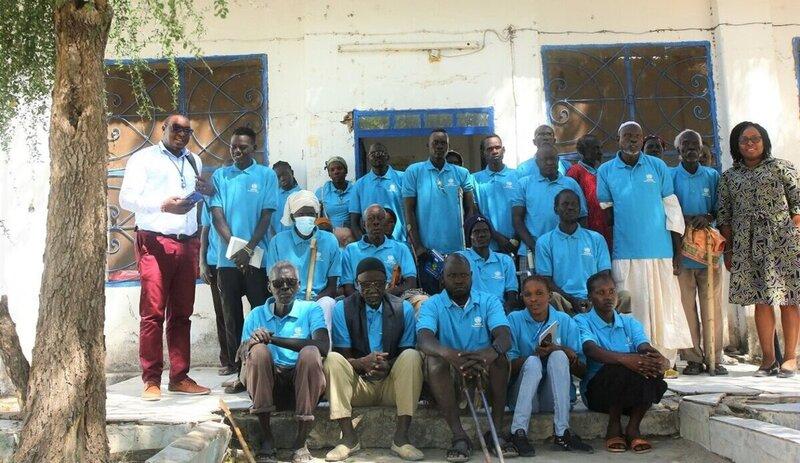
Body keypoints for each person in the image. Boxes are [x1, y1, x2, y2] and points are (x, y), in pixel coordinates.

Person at [119, 114, 213, 400]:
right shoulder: (143, 159)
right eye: (176, 129)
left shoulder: (193, 160)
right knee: (153, 313)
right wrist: (161, 205)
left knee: (182, 313)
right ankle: (151, 380)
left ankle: (180, 376)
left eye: (187, 130)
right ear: (164, 129)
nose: (182, 135)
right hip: (154, 241)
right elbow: (126, 198)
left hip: (187, 243)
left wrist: (205, 192)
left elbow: (195, 196)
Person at [596, 121, 691, 371]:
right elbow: (608, 216)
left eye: (636, 136)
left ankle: (665, 361)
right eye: (627, 136)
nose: (633, 140)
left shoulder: (658, 166)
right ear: (618, 139)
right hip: (626, 255)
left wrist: (677, 253)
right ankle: (634, 361)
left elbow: (672, 212)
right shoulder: (606, 171)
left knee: (664, 309)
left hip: (660, 253)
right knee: (631, 310)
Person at [718, 121, 800, 378]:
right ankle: (768, 359)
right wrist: (728, 251)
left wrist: (791, 236)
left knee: (788, 299)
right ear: (736, 145)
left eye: (755, 138)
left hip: (782, 243)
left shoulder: (781, 168)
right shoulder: (729, 177)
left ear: (764, 141)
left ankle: (789, 358)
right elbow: (725, 217)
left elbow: (797, 206)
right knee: (760, 301)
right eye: (744, 140)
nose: (750, 143)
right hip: (746, 245)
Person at [324, 257, 424, 462]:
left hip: (391, 387)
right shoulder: (342, 308)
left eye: (378, 284)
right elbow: (343, 355)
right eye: (365, 285)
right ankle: (349, 439)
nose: (372, 289)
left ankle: (401, 438)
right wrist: (361, 363)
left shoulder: (402, 308)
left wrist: (388, 365)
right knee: (332, 359)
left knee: (412, 356)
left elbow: (406, 350)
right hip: (359, 387)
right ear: (357, 284)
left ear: (387, 283)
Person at [416, 254, 514, 462]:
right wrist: (449, 354)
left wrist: (489, 354)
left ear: (471, 276)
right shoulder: (432, 304)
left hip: (482, 367)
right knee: (434, 360)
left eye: (463, 275)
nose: (459, 280)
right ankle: (459, 437)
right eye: (452, 275)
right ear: (442, 278)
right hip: (451, 371)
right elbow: (424, 339)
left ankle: (495, 432)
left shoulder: (489, 301)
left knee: (500, 359)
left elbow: (505, 336)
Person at [239, 261, 329, 463]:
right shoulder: (256, 314)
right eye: (278, 283)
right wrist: (252, 343)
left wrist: (273, 339)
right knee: (259, 352)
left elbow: (323, 346)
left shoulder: (311, 309)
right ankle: (267, 437)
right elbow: (243, 354)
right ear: (269, 287)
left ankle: (300, 440)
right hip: (269, 387)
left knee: (310, 353)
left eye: (290, 283)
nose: (285, 288)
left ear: (299, 285)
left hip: (302, 387)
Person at [210, 127, 278, 390]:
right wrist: (235, 249)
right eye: (234, 147)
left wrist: (248, 249)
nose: (237, 152)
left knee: (259, 310)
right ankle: (239, 370)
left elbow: (266, 215)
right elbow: (217, 216)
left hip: (256, 259)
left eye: (243, 148)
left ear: (254, 148)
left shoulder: (265, 175)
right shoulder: (220, 176)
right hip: (226, 261)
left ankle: (260, 363)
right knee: (231, 316)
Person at [574, 273, 669, 454]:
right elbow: (590, 350)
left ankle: (633, 428)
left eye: (611, 291)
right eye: (600, 292)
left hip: (631, 393)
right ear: (590, 298)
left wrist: (660, 360)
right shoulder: (581, 321)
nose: (608, 297)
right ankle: (614, 425)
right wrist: (627, 359)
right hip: (599, 394)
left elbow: (644, 347)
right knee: (617, 368)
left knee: (652, 370)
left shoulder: (629, 322)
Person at [507, 276, 593, 456]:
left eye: (539, 293)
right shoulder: (514, 319)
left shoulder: (565, 320)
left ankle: (562, 432)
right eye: (528, 295)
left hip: (552, 398)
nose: (533, 299)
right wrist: (534, 355)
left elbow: (583, 370)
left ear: (550, 295)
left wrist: (562, 350)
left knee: (558, 356)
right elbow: (508, 368)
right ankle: (518, 431)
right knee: (532, 362)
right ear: (522, 297)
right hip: (524, 396)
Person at [671, 129, 726, 376]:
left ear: (702, 149)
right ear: (679, 150)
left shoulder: (712, 176)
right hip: (683, 252)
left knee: (711, 306)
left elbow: (720, 208)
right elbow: (667, 210)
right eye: (686, 145)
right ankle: (693, 358)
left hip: (709, 254)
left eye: (696, 144)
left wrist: (707, 216)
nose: (691, 148)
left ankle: (715, 357)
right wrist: (683, 218)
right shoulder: (670, 176)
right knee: (686, 307)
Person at [403, 129, 476, 294]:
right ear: (428, 145)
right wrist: (418, 246)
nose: (439, 146)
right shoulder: (414, 172)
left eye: (443, 143)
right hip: (428, 252)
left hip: (458, 251)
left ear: (448, 146)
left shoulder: (461, 173)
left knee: (459, 295)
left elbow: (470, 209)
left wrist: (469, 244)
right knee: (431, 296)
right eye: (436, 142)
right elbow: (409, 210)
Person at [535, 189, 630, 315]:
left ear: (580, 209)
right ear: (556, 209)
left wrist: (592, 298)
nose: (570, 208)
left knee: (625, 296)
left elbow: (604, 276)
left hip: (595, 298)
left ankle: (615, 331)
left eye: (574, 204)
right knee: (552, 299)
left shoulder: (596, 239)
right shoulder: (544, 242)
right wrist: (572, 299)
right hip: (565, 301)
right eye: (565, 204)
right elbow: (546, 281)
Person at [266, 190, 341, 332]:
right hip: (287, 298)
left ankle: (324, 350)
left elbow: (332, 287)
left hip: (319, 300)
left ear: (317, 215)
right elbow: (273, 281)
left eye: (311, 214)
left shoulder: (329, 240)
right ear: (292, 216)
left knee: (328, 304)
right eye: (301, 214)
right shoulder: (278, 242)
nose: (306, 218)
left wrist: (311, 304)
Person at [512, 143, 587, 270]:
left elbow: (582, 217)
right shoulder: (524, 184)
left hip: (566, 249)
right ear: (536, 162)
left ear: (558, 160)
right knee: (532, 288)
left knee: (562, 288)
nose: (549, 162)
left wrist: (575, 244)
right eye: (544, 159)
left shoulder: (570, 184)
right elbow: (517, 219)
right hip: (531, 250)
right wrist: (534, 246)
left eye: (553, 159)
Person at [341, 204, 417, 297]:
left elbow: (411, 283)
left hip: (395, 298)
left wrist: (385, 295)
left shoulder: (401, 248)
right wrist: (366, 299)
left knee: (421, 300)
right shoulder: (351, 250)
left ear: (385, 223)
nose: (376, 222)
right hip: (361, 299)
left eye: (380, 218)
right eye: (371, 219)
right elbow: (348, 288)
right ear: (364, 224)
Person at [472, 134, 522, 254]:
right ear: (483, 153)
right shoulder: (474, 179)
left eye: (497, 147)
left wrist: (516, 238)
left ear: (503, 150)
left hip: (516, 244)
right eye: (489, 149)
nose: (494, 151)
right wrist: (496, 237)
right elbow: (475, 212)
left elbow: (525, 211)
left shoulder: (518, 176)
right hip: (488, 246)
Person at [457, 215, 518, 312]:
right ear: (469, 236)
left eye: (485, 231)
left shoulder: (505, 260)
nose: (481, 235)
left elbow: (512, 294)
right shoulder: (460, 258)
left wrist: (503, 311)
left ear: (490, 234)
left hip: (498, 311)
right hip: (469, 311)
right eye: (476, 232)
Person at [349, 142, 406, 242]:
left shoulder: (403, 178)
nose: (377, 156)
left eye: (381, 153)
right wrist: (364, 242)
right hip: (371, 243)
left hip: (399, 241)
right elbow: (354, 221)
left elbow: (412, 211)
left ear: (388, 157)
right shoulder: (359, 185)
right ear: (368, 158)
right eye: (373, 154)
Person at [567, 133, 612, 249]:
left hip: (605, 229)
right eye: (595, 148)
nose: (600, 152)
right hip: (587, 230)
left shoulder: (602, 172)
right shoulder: (575, 172)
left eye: (600, 148)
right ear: (583, 151)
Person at [199, 201, 229, 375]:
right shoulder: (207, 200)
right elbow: (205, 230)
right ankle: (227, 359)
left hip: (242, 259)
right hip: (216, 263)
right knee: (222, 313)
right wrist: (202, 261)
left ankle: (249, 358)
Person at [315, 156, 355, 229]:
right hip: (328, 235)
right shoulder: (322, 192)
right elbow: (316, 217)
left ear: (346, 171)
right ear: (329, 174)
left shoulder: (355, 190)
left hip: (350, 235)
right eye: (332, 170)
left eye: (339, 168)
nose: (336, 172)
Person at [270, 161, 301, 238]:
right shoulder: (272, 197)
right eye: (278, 176)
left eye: (285, 174)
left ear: (292, 173)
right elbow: (269, 223)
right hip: (276, 240)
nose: (282, 178)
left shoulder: (302, 196)